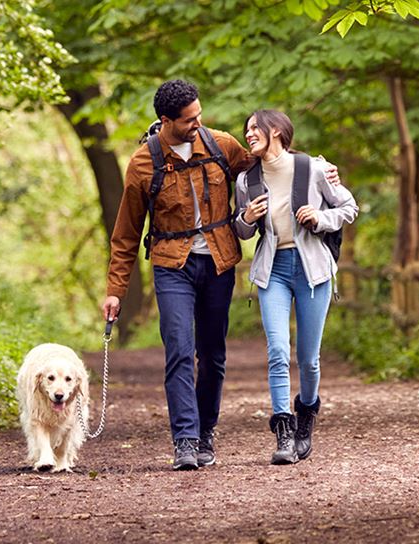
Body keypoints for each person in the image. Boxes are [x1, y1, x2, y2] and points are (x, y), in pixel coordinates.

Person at [101, 80, 340, 470]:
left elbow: (271, 163)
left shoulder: (219, 145)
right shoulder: (143, 164)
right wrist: (115, 291)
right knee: (179, 349)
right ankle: (186, 439)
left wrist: (318, 169)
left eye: (199, 114)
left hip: (217, 262)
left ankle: (206, 431)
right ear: (166, 121)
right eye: (190, 119)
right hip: (170, 264)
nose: (199, 122)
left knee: (212, 354)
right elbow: (125, 233)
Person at [232, 109, 357, 465]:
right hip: (273, 271)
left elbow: (348, 207)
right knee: (276, 351)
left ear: (277, 130)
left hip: (312, 270)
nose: (249, 133)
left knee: (308, 359)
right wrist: (246, 218)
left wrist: (320, 218)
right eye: (247, 129)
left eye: (256, 127)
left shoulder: (313, 168)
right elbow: (240, 230)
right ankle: (283, 432)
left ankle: (306, 417)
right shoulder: (246, 181)